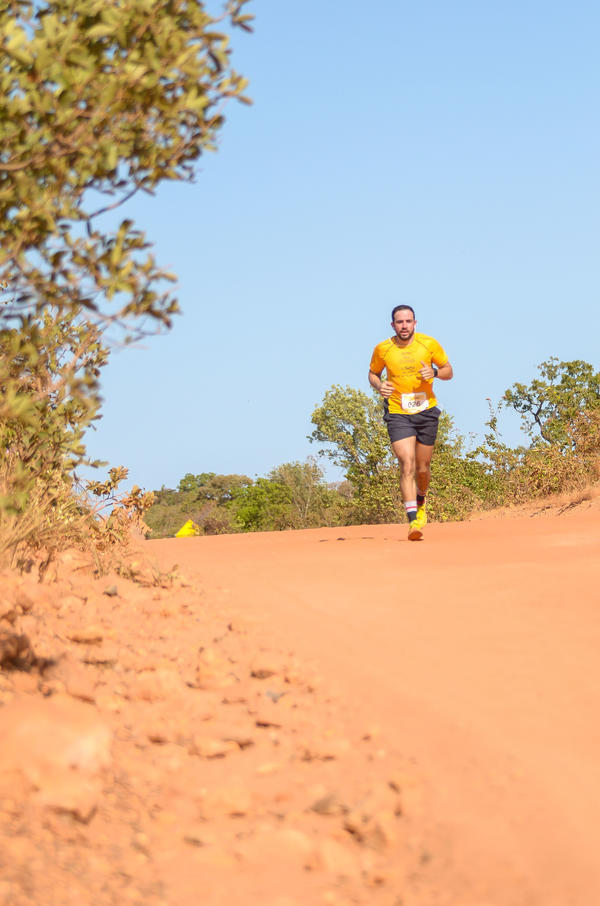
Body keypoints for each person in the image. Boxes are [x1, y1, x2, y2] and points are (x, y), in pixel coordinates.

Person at [368, 305, 453, 540]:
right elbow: (373, 373)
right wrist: (379, 385)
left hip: (426, 412)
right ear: (392, 325)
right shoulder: (383, 349)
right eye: (399, 322)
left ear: (415, 323)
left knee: (422, 468)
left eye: (408, 321)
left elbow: (448, 370)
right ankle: (413, 521)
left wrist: (434, 373)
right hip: (398, 412)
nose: (404, 326)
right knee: (406, 462)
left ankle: (421, 499)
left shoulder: (429, 344)